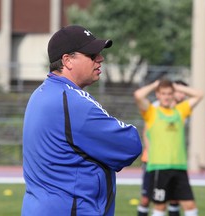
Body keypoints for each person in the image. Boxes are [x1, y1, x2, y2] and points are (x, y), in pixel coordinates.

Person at [21, 25, 142, 216]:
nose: (100, 59)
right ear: (67, 60)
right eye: (92, 55)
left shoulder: (41, 93)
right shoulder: (73, 101)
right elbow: (130, 145)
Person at [134, 79, 203, 216]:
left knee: (190, 205)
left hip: (179, 167)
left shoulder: (180, 110)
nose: (166, 96)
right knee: (159, 207)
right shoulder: (152, 112)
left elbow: (199, 94)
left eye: (169, 93)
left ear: (173, 95)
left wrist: (176, 86)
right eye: (163, 93)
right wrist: (155, 85)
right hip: (159, 167)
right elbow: (138, 95)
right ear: (158, 95)